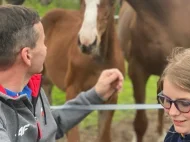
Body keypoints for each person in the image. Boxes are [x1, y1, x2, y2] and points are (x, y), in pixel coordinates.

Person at [0, 5, 124, 142]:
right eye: (43, 43)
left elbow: (50, 126)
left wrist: (95, 95)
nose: (47, 48)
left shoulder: (31, 89)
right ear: (27, 55)